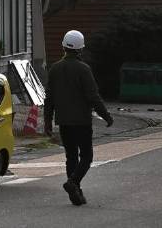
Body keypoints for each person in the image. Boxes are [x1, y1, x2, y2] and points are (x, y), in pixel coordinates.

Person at [44, 30, 113, 206]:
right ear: (80, 49)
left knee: (71, 157)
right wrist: (106, 116)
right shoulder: (83, 69)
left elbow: (49, 98)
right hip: (82, 121)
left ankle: (76, 190)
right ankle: (73, 183)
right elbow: (93, 96)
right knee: (87, 157)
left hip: (64, 121)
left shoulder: (55, 68)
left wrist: (47, 122)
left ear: (63, 47)